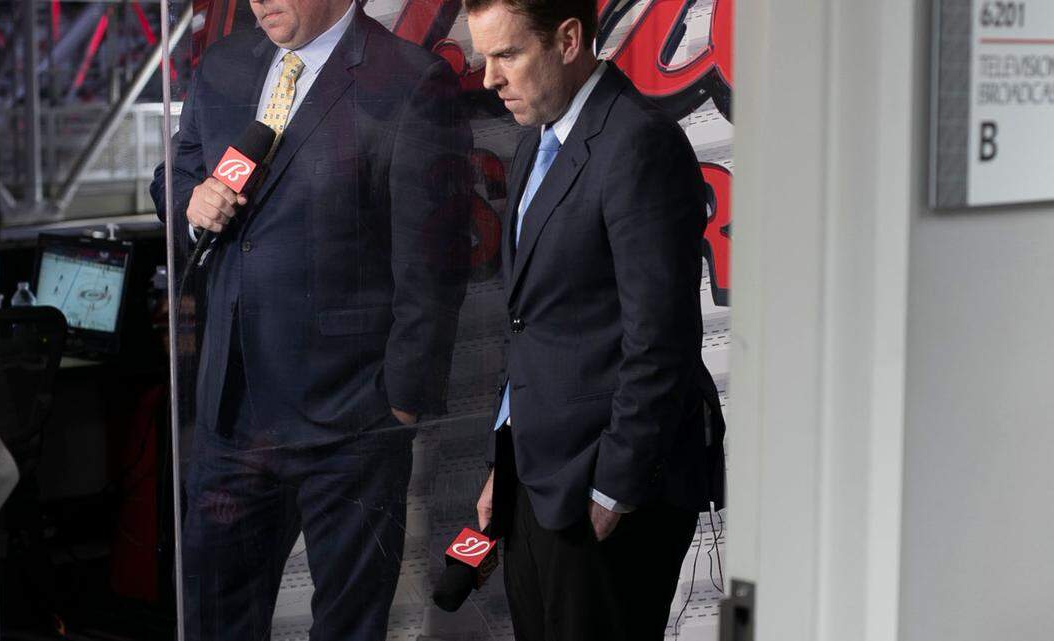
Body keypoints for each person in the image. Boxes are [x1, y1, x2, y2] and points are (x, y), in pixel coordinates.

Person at [149, 1, 470, 639]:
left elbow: (433, 265)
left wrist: (401, 406)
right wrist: (192, 202)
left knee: (348, 626)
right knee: (213, 619)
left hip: (350, 420)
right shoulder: (224, 64)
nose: (259, 1)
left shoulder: (409, 80)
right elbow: (176, 174)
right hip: (231, 413)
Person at [466, 0, 727, 639]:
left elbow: (661, 340)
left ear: (568, 40)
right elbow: (535, 322)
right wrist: (505, 461)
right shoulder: (536, 143)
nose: (489, 79)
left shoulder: (638, 142)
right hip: (535, 476)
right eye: (485, 58)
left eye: (507, 55)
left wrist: (614, 490)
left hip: (606, 487)